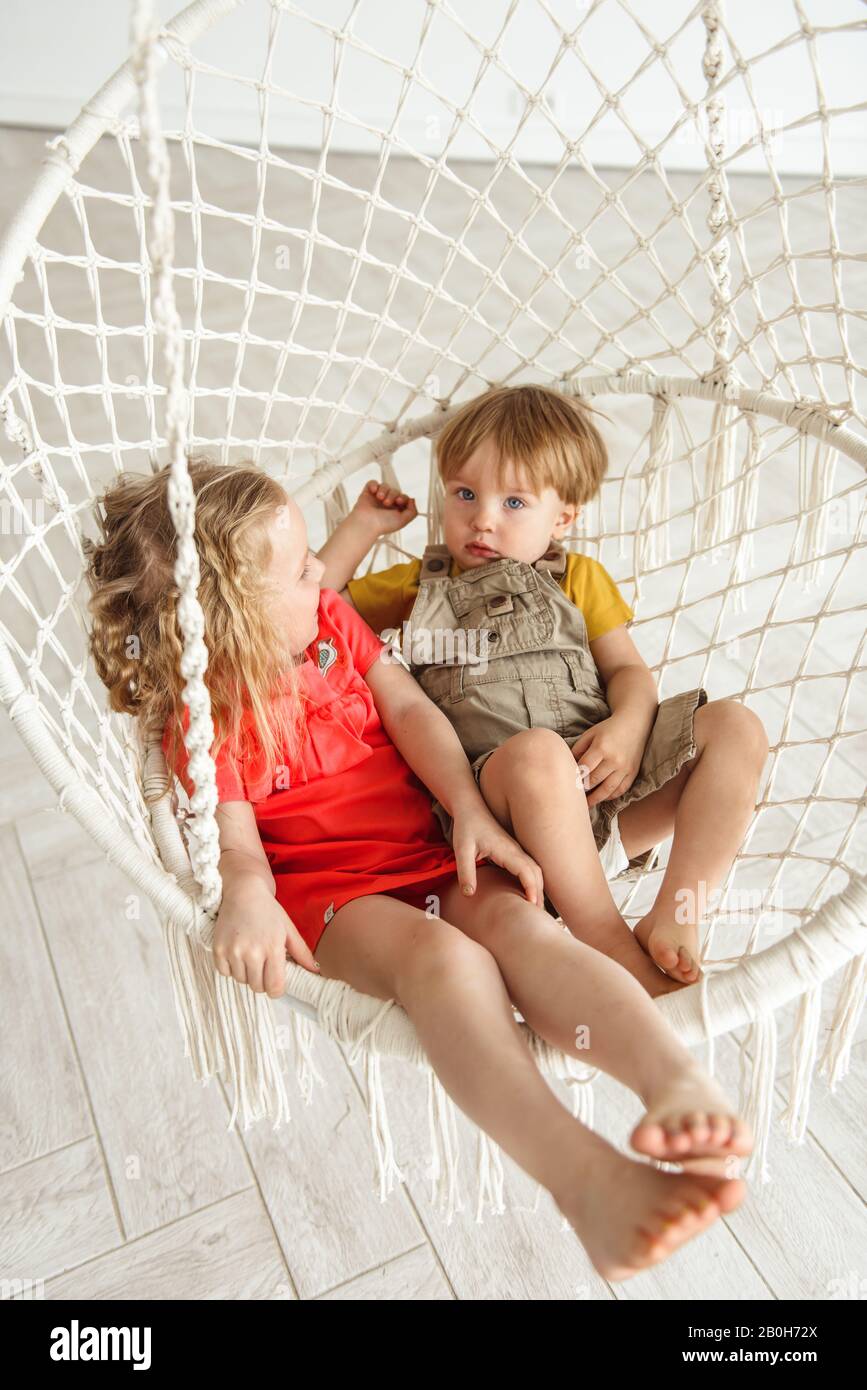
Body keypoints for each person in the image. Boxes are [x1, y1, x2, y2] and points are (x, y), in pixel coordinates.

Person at [84, 456, 753, 1284]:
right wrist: (248, 901)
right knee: (445, 961)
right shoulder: (202, 711)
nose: (323, 573)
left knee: (516, 926)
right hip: (335, 901)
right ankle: (582, 1177)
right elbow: (236, 845)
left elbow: (407, 708)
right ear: (233, 621)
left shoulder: (327, 621)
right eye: (299, 571)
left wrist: (470, 811)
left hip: (430, 845)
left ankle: (672, 1078)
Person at [318, 384, 770, 990]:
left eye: (513, 503)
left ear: (562, 518)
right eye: (465, 494)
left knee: (737, 727)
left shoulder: (579, 577)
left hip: (606, 795)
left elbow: (629, 674)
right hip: (501, 812)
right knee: (536, 751)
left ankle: (678, 911)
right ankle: (609, 939)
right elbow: (319, 604)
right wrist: (364, 524)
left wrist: (630, 729)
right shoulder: (416, 587)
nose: (482, 518)